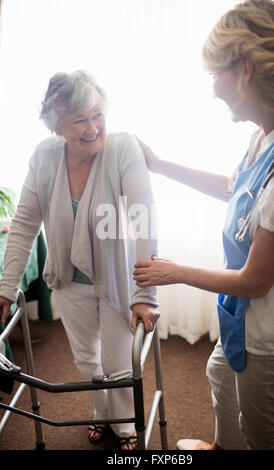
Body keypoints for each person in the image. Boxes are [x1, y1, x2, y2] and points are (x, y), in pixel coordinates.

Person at [134, 0, 274, 450]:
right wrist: (159, 165)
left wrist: (175, 272)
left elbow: (255, 281)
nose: (212, 90)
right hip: (239, 317)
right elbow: (234, 187)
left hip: (268, 335)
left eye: (214, 76)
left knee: (263, 434)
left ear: (245, 69)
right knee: (217, 374)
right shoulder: (266, 134)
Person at [0, 70, 160, 450]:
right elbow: (24, 224)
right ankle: (101, 414)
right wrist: (6, 289)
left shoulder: (122, 148)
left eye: (97, 115)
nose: (92, 127)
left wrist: (145, 292)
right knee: (87, 361)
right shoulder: (44, 155)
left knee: (119, 364)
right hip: (68, 280)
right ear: (57, 126)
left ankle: (125, 427)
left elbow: (145, 218)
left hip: (118, 278)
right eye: (79, 120)